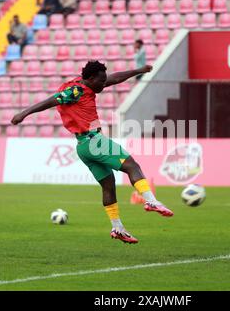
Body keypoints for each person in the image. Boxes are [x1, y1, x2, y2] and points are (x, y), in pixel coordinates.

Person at [11, 61, 174, 244]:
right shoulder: (76, 91)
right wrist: (23, 114)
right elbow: (52, 100)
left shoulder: (87, 84)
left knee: (108, 185)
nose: (104, 85)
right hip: (94, 141)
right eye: (101, 81)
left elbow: (115, 78)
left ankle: (117, 228)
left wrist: (138, 71)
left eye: (104, 81)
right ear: (90, 79)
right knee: (131, 166)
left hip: (83, 147)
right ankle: (151, 200)